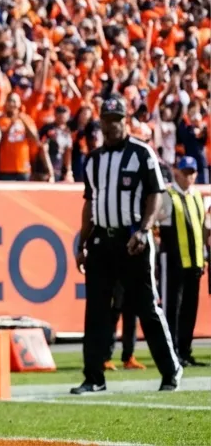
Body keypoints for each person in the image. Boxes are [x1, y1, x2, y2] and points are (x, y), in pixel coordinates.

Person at [71, 96, 182, 394]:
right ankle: (93, 376)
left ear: (125, 120)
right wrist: (82, 243)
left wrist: (144, 230)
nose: (111, 125)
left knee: (146, 306)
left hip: (132, 240)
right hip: (101, 241)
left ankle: (170, 370)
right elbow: (89, 203)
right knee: (95, 311)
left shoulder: (142, 153)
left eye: (117, 119)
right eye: (107, 119)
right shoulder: (93, 159)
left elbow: (155, 195)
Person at [157, 156, 206, 368]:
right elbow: (155, 222)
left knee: (189, 308)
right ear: (177, 172)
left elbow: (201, 228)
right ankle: (172, 351)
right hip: (174, 261)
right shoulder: (168, 195)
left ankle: (185, 351)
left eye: (192, 172)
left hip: (194, 262)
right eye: (186, 172)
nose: (190, 177)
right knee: (172, 308)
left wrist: (203, 255)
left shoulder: (197, 195)